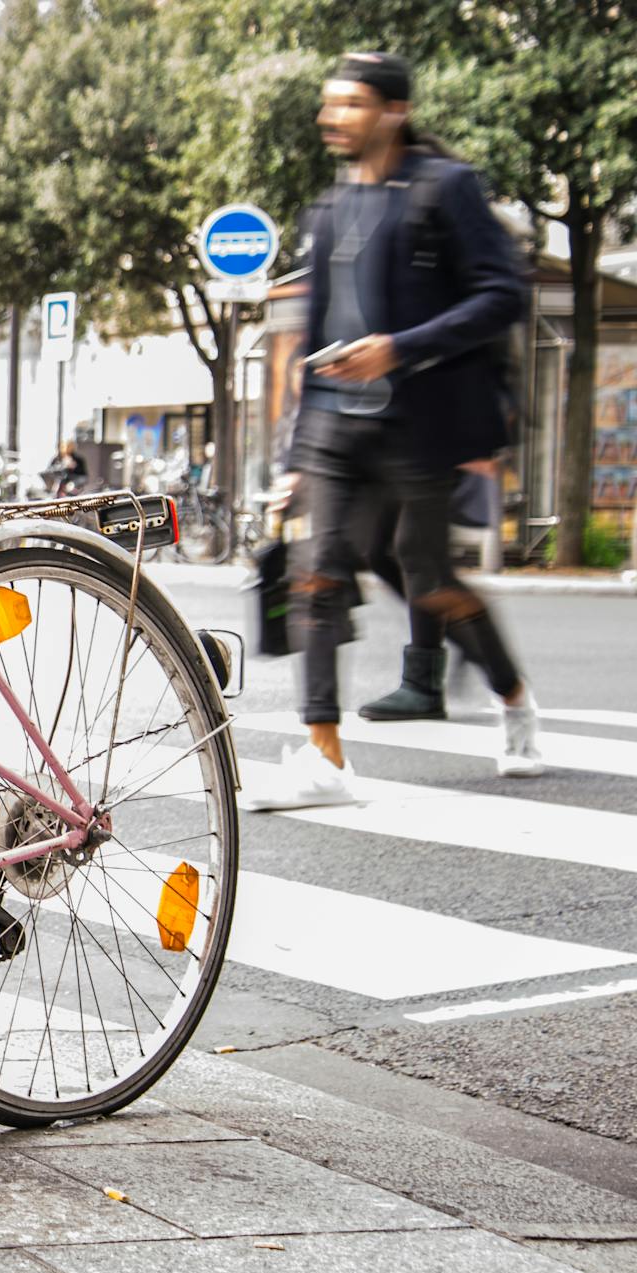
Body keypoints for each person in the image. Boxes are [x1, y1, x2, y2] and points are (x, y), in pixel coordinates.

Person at [245, 51, 539, 812]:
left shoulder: (446, 188)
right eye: (329, 104)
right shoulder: (330, 207)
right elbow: (314, 334)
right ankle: (324, 757)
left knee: (427, 576)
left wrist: (400, 349)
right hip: (338, 429)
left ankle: (513, 696)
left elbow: (502, 294)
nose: (328, 117)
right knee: (316, 575)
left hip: (419, 421)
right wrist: (294, 453)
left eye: (348, 104)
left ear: (393, 112)